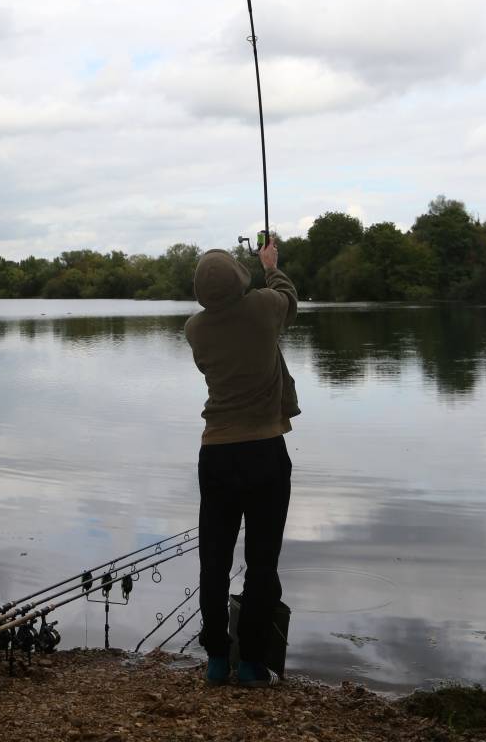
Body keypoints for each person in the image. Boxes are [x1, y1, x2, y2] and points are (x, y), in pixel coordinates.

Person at [185, 238, 299, 688]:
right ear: (241, 278)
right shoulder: (265, 307)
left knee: (213, 561)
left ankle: (216, 658)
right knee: (262, 562)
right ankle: (251, 662)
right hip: (266, 451)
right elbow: (289, 300)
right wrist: (272, 265)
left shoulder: (195, 329)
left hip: (216, 453)